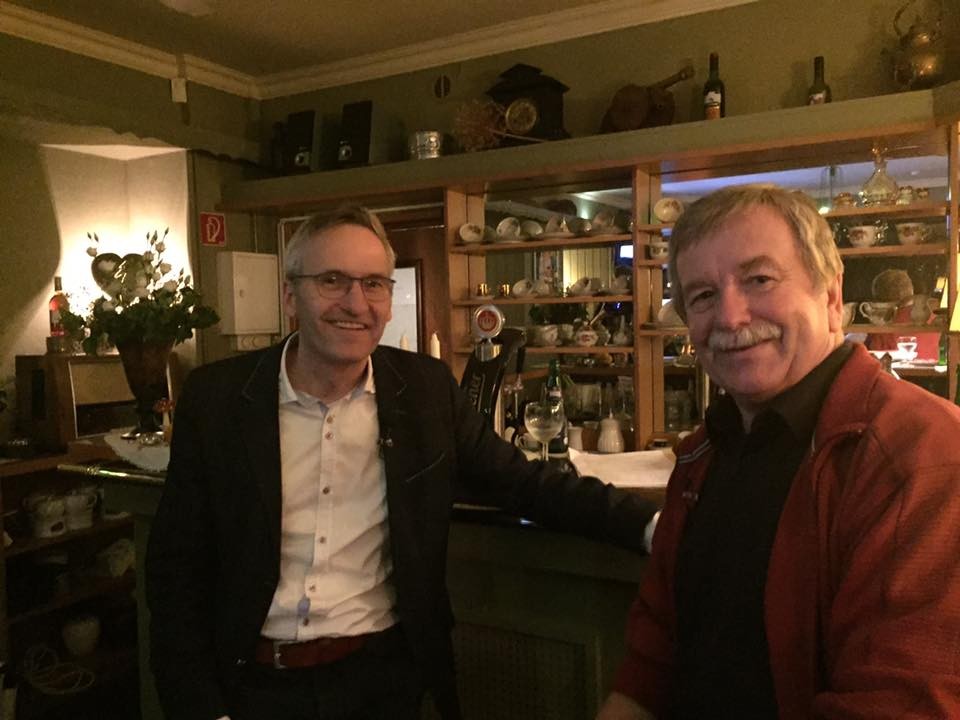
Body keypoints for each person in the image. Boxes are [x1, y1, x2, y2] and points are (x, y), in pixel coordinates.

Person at [145, 205, 655, 720]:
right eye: (331, 280)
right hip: (252, 688)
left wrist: (653, 526)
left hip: (384, 683)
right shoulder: (217, 399)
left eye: (373, 284)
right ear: (290, 295)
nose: (355, 303)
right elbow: (175, 572)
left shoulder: (426, 392)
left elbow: (524, 482)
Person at [598, 185, 960, 719]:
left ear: (831, 297)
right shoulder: (702, 456)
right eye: (703, 295)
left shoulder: (923, 454)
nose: (730, 317)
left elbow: (898, 707)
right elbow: (650, 666)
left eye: (759, 280)